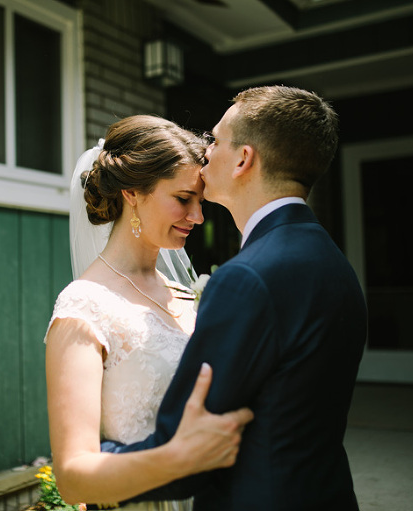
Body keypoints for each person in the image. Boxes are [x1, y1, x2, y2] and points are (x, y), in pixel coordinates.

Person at [107, 86, 368, 510]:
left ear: (244, 159)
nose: (205, 152)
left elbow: (185, 452)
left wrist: (99, 466)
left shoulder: (247, 278)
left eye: (214, 140)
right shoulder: (335, 264)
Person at [44, 115, 254, 510]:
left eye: (200, 201)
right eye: (182, 199)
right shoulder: (83, 308)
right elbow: (72, 479)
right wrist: (182, 459)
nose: (198, 217)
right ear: (132, 194)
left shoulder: (187, 295)